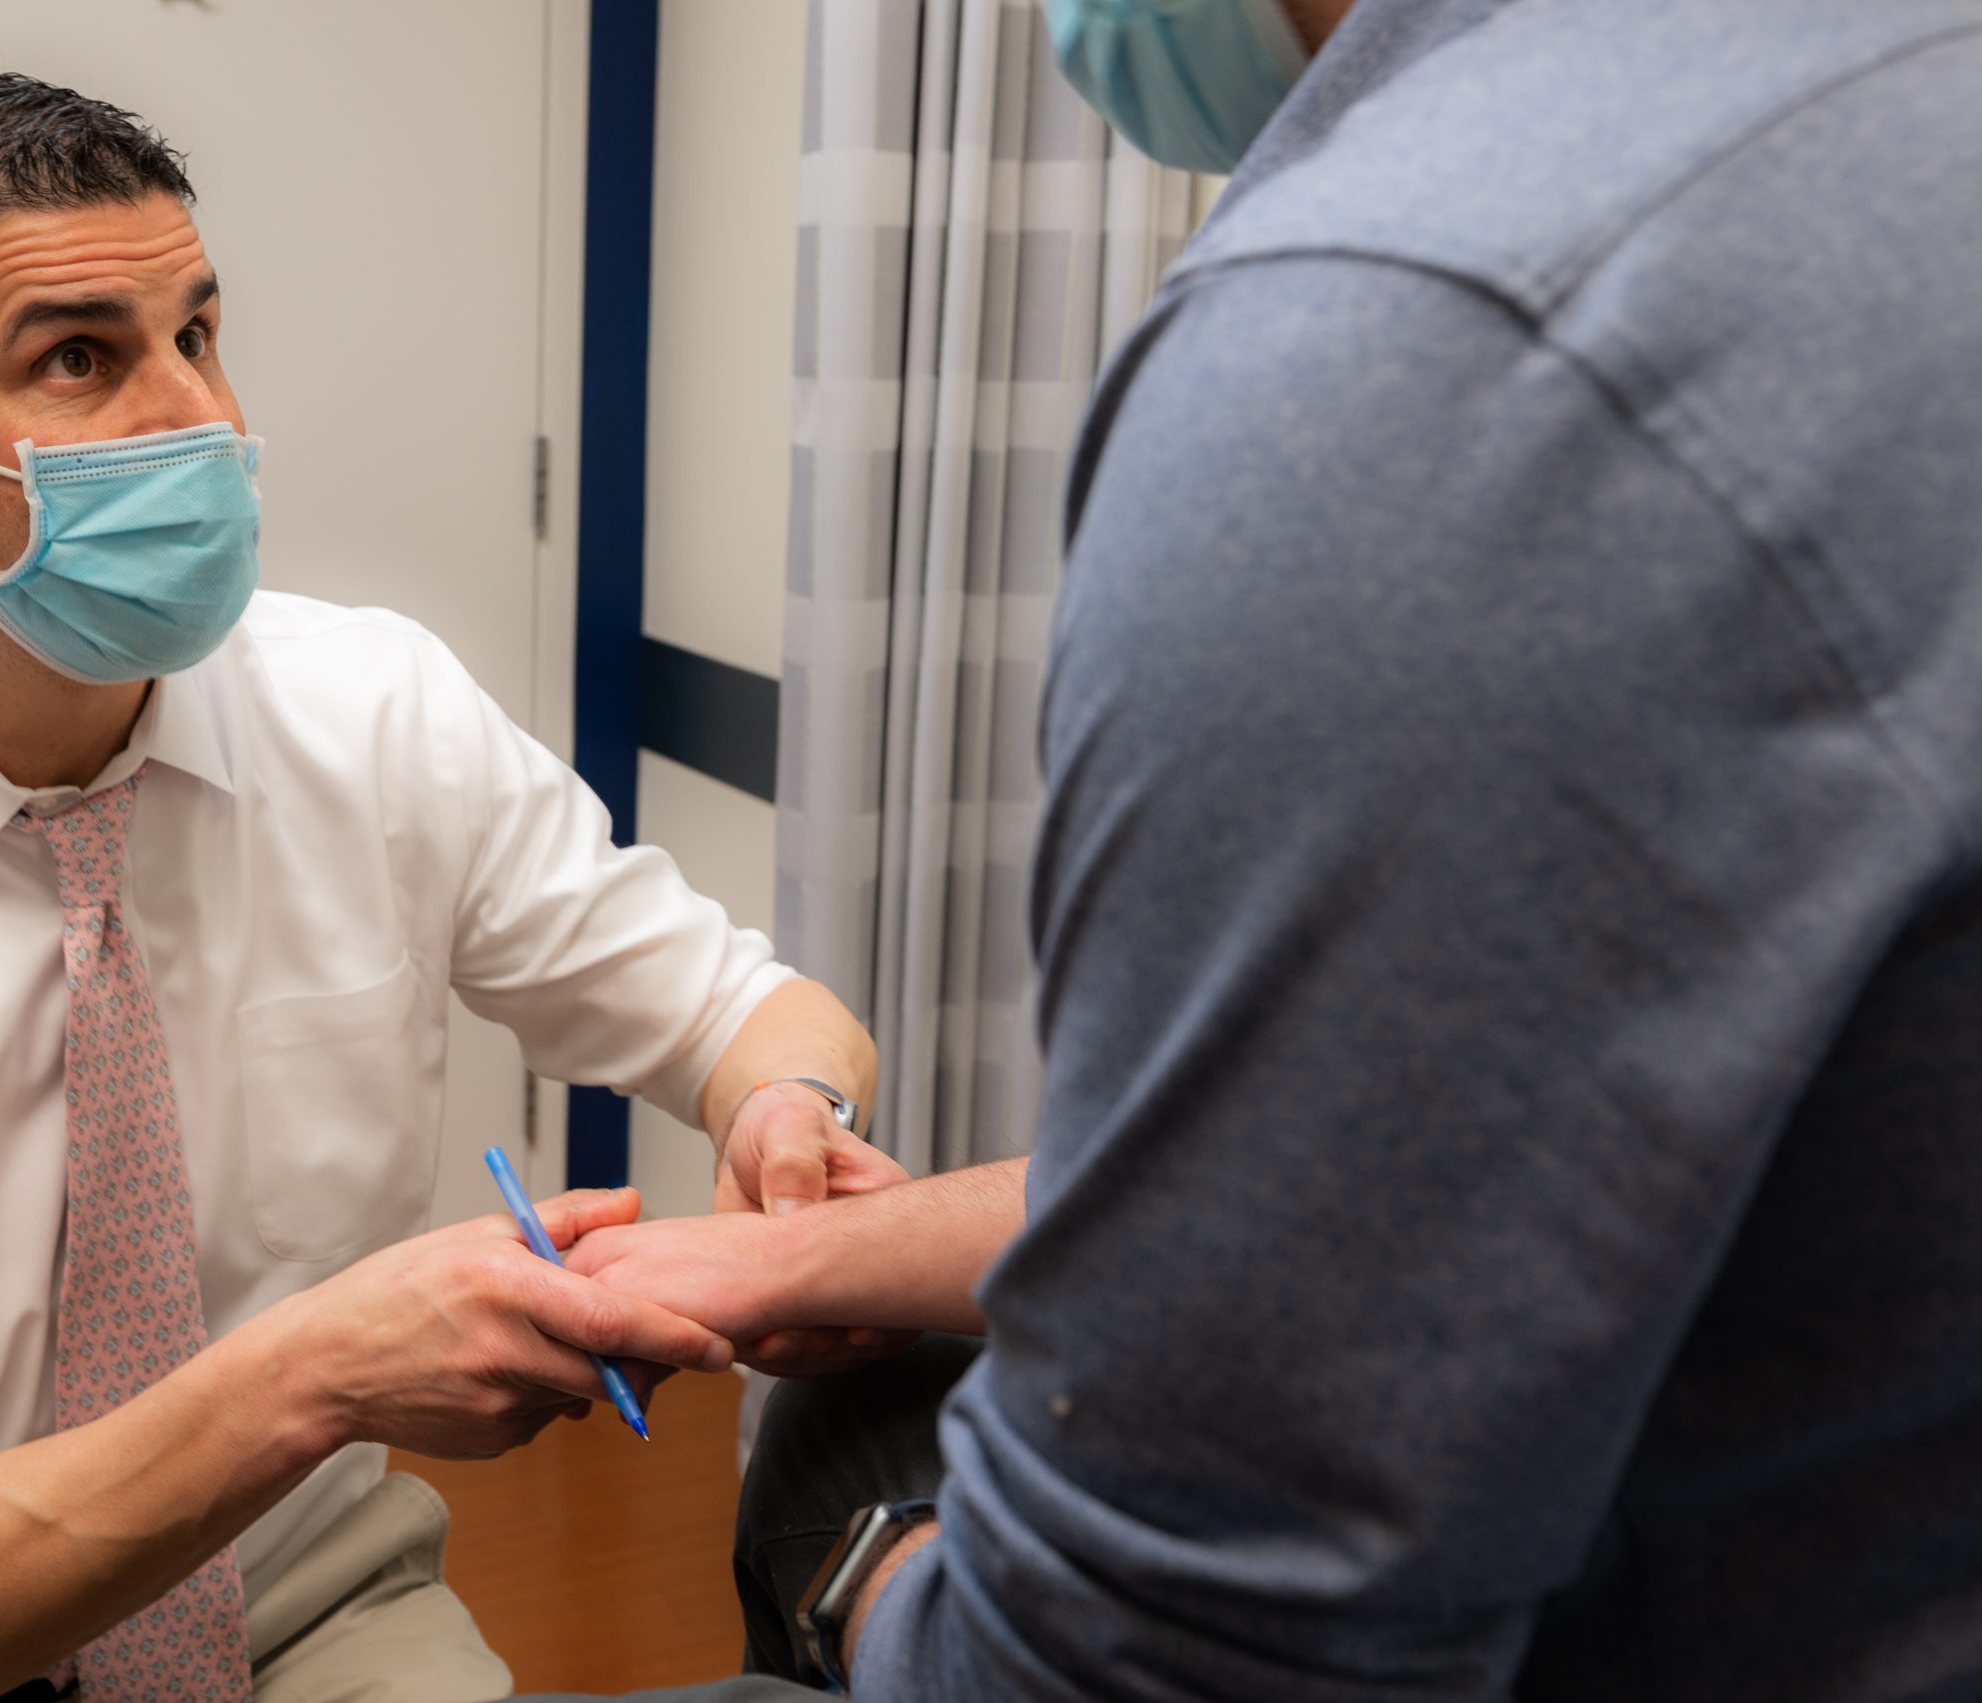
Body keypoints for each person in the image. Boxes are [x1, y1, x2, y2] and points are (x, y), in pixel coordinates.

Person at [521, 0, 1982, 1697]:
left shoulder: (1417, 329)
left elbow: (1167, 1657)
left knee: (844, 1457)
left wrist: (873, 1574)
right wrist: (806, 1250)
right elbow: (1425, 1153)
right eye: (111, 355)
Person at [0, 74, 896, 1703]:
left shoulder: (374, 718)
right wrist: (327, 1368)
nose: (200, 418)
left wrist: (792, 1112)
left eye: (199, 334)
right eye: (80, 357)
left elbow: (743, 1009)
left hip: (301, 1597)